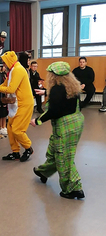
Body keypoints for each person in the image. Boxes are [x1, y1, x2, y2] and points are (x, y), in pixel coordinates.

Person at [31, 61, 85, 200]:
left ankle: (73, 188)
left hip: (65, 125)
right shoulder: (72, 86)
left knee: (64, 156)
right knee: (55, 148)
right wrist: (45, 92)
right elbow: (62, 99)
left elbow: (54, 110)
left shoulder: (56, 89)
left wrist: (37, 120)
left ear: (54, 75)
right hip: (77, 122)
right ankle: (43, 172)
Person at [0, 51, 34, 162]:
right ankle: (15, 152)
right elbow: (4, 85)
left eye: (4, 63)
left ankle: (28, 148)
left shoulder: (18, 69)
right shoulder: (13, 70)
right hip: (16, 104)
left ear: (9, 61)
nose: (3, 65)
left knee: (17, 130)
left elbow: (11, 89)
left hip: (24, 104)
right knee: (10, 129)